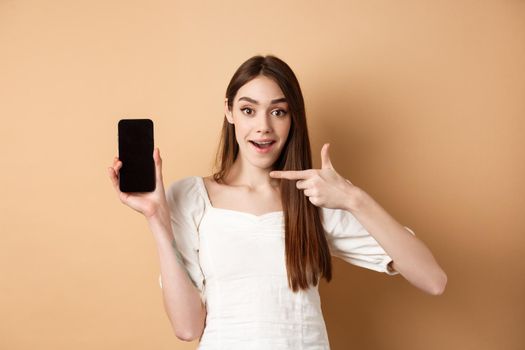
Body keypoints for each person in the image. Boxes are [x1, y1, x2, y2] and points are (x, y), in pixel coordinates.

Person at [108, 54, 447, 349]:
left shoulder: (314, 196)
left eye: (278, 112)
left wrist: (353, 198)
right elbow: (187, 327)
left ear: (293, 118)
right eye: (248, 110)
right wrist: (157, 217)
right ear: (229, 112)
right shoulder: (190, 197)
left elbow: (433, 280)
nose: (263, 127)